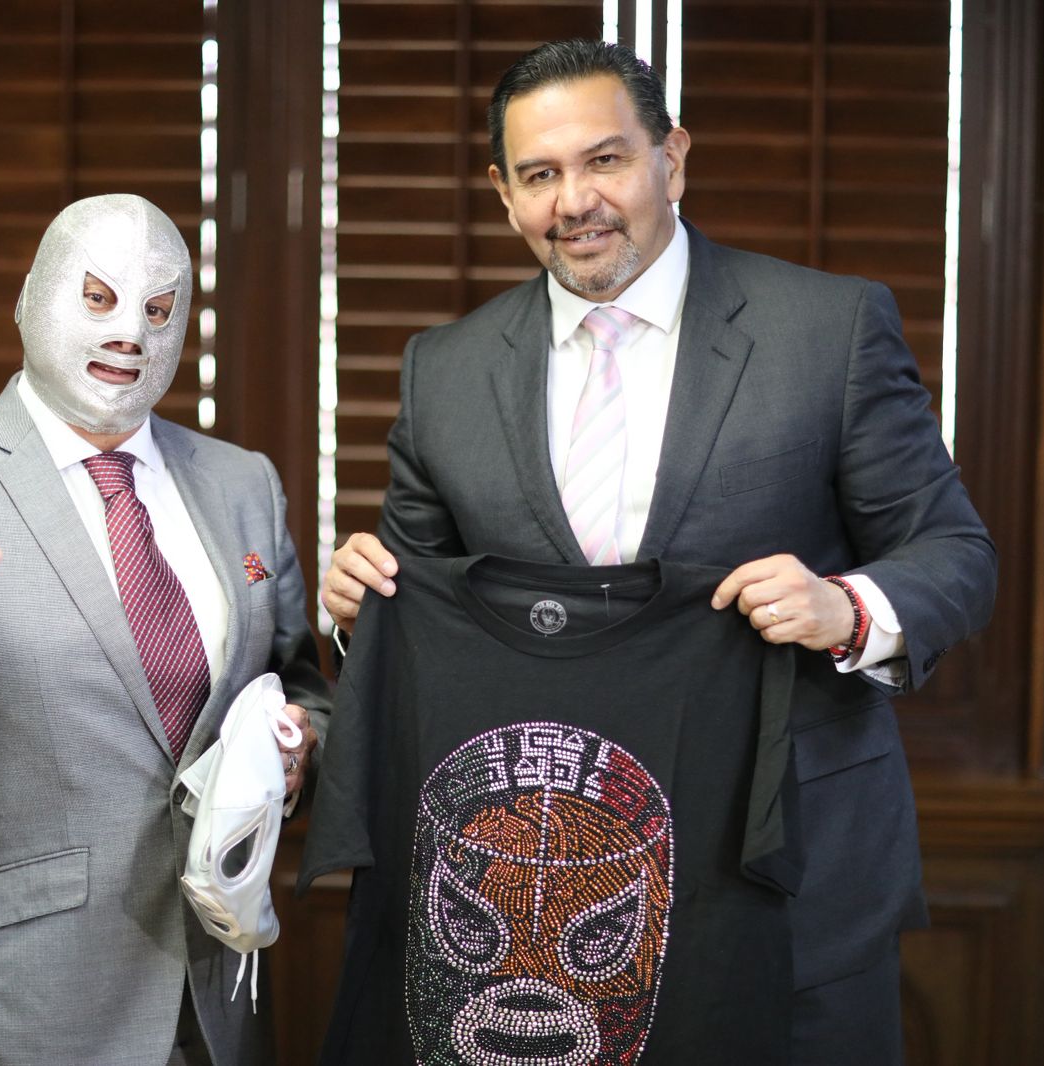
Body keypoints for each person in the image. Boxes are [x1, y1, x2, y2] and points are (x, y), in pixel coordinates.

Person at [320, 39, 995, 1064]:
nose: (575, 201)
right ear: (503, 194)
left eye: (605, 160)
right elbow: (414, 609)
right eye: (540, 175)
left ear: (671, 159)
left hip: (786, 879)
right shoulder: (443, 371)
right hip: (543, 930)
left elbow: (954, 551)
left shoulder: (828, 328)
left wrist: (847, 608)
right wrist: (352, 606)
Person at [0, 194, 330, 1066]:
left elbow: (298, 683)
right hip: (22, 1008)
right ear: (30, 298)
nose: (131, 334)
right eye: (98, 298)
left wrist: (301, 746)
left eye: (159, 310)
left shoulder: (243, 485)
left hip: (217, 1003)